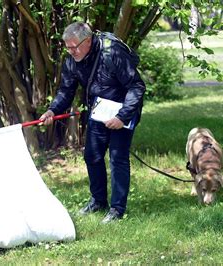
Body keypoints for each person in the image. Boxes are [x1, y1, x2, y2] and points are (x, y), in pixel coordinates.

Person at [39, 22, 145, 224]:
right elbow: (66, 91)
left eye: (74, 47)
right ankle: (98, 201)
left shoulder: (112, 53)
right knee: (92, 156)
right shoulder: (72, 60)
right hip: (99, 113)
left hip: (123, 112)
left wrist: (122, 117)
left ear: (87, 41)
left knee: (117, 158)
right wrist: (53, 110)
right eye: (67, 47)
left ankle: (117, 209)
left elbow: (137, 86)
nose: (70, 52)